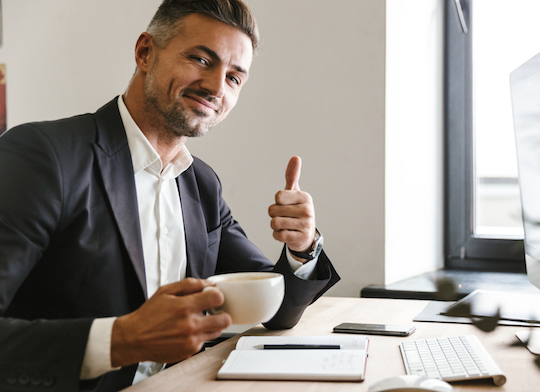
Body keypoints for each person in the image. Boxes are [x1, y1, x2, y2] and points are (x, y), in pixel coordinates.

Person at [0, 0, 339, 391]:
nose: (215, 87)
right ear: (146, 52)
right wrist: (121, 339)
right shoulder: (42, 156)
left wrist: (302, 247)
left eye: (234, 78)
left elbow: (272, 307)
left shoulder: (201, 183)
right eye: (201, 59)